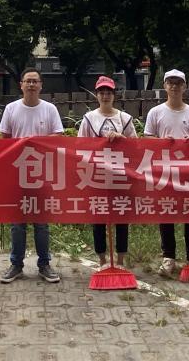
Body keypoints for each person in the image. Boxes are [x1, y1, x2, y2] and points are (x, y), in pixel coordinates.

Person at [0, 68, 64, 284]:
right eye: (28, 81)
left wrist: (37, 141)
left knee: (41, 222)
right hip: (17, 172)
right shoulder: (11, 108)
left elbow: (58, 136)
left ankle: (44, 264)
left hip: (42, 172)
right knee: (17, 223)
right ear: (21, 84)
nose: (31, 85)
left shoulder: (50, 109)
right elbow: (4, 138)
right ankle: (16, 264)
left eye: (35, 81)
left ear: (41, 85)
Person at [143, 68, 189, 278]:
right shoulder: (156, 112)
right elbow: (147, 138)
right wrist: (161, 142)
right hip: (165, 170)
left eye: (178, 83)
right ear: (165, 86)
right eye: (170, 83)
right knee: (167, 211)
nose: (174, 87)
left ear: (184, 86)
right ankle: (168, 255)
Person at [78, 75, 135, 267]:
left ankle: (120, 260)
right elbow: (81, 146)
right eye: (101, 92)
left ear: (114, 95)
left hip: (121, 175)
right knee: (98, 217)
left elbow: (136, 147)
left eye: (108, 92)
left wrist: (121, 139)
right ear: (96, 95)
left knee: (121, 216)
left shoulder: (124, 119)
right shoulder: (89, 119)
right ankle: (102, 259)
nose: (105, 96)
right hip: (96, 175)